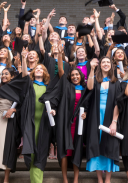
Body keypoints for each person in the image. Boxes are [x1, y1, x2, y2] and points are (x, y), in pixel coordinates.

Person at [19, 55, 59, 183]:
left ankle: (37, 181)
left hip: (43, 124)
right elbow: (25, 74)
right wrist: (24, 60)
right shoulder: (29, 84)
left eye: (41, 69)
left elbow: (53, 104)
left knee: (40, 153)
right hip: (30, 123)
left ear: (45, 73)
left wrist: (53, 110)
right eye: (37, 68)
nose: (39, 70)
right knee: (31, 152)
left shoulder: (48, 88)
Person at [85, 57, 121, 183]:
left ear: (111, 65)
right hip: (96, 116)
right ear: (100, 65)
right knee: (96, 145)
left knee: (110, 145)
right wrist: (92, 69)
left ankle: (108, 180)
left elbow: (118, 103)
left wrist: (114, 121)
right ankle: (100, 179)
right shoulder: (95, 80)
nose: (106, 64)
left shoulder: (116, 82)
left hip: (110, 116)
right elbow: (89, 88)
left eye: (108, 62)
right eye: (103, 62)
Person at [55, 45, 87, 183]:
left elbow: (88, 105)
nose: (74, 76)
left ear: (81, 76)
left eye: (77, 75)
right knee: (64, 152)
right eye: (72, 75)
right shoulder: (67, 86)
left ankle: (75, 179)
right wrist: (61, 54)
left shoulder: (86, 89)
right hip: (65, 123)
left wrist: (85, 112)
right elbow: (61, 70)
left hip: (78, 124)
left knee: (77, 151)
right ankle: (65, 179)